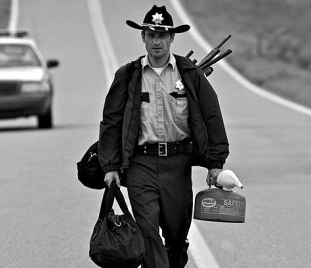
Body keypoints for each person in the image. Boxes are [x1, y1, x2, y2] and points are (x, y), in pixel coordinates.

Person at [98, 5, 229, 268]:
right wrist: (111, 167)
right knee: (146, 230)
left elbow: (211, 117)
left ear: (171, 39)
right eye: (151, 35)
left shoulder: (189, 74)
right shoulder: (128, 75)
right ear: (143, 38)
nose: (156, 41)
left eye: (162, 35)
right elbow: (111, 123)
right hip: (140, 165)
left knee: (176, 234)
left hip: (178, 164)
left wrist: (216, 163)